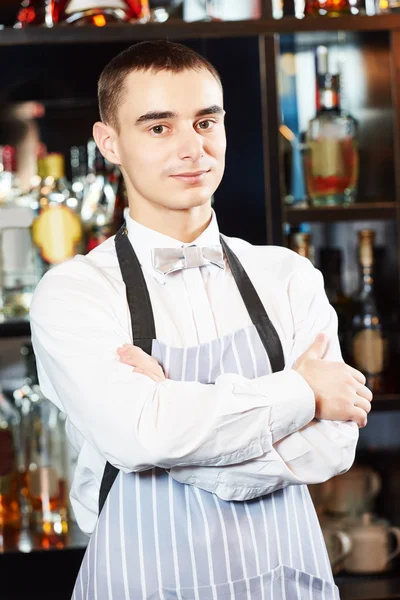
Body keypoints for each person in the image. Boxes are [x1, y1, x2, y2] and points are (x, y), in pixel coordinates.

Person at [30, 40, 372, 599]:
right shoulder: (74, 293)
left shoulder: (288, 276)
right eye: (159, 127)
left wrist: (172, 434)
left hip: (284, 583)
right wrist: (301, 395)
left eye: (206, 122)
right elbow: (140, 434)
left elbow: (332, 447)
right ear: (109, 143)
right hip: (141, 584)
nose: (194, 149)